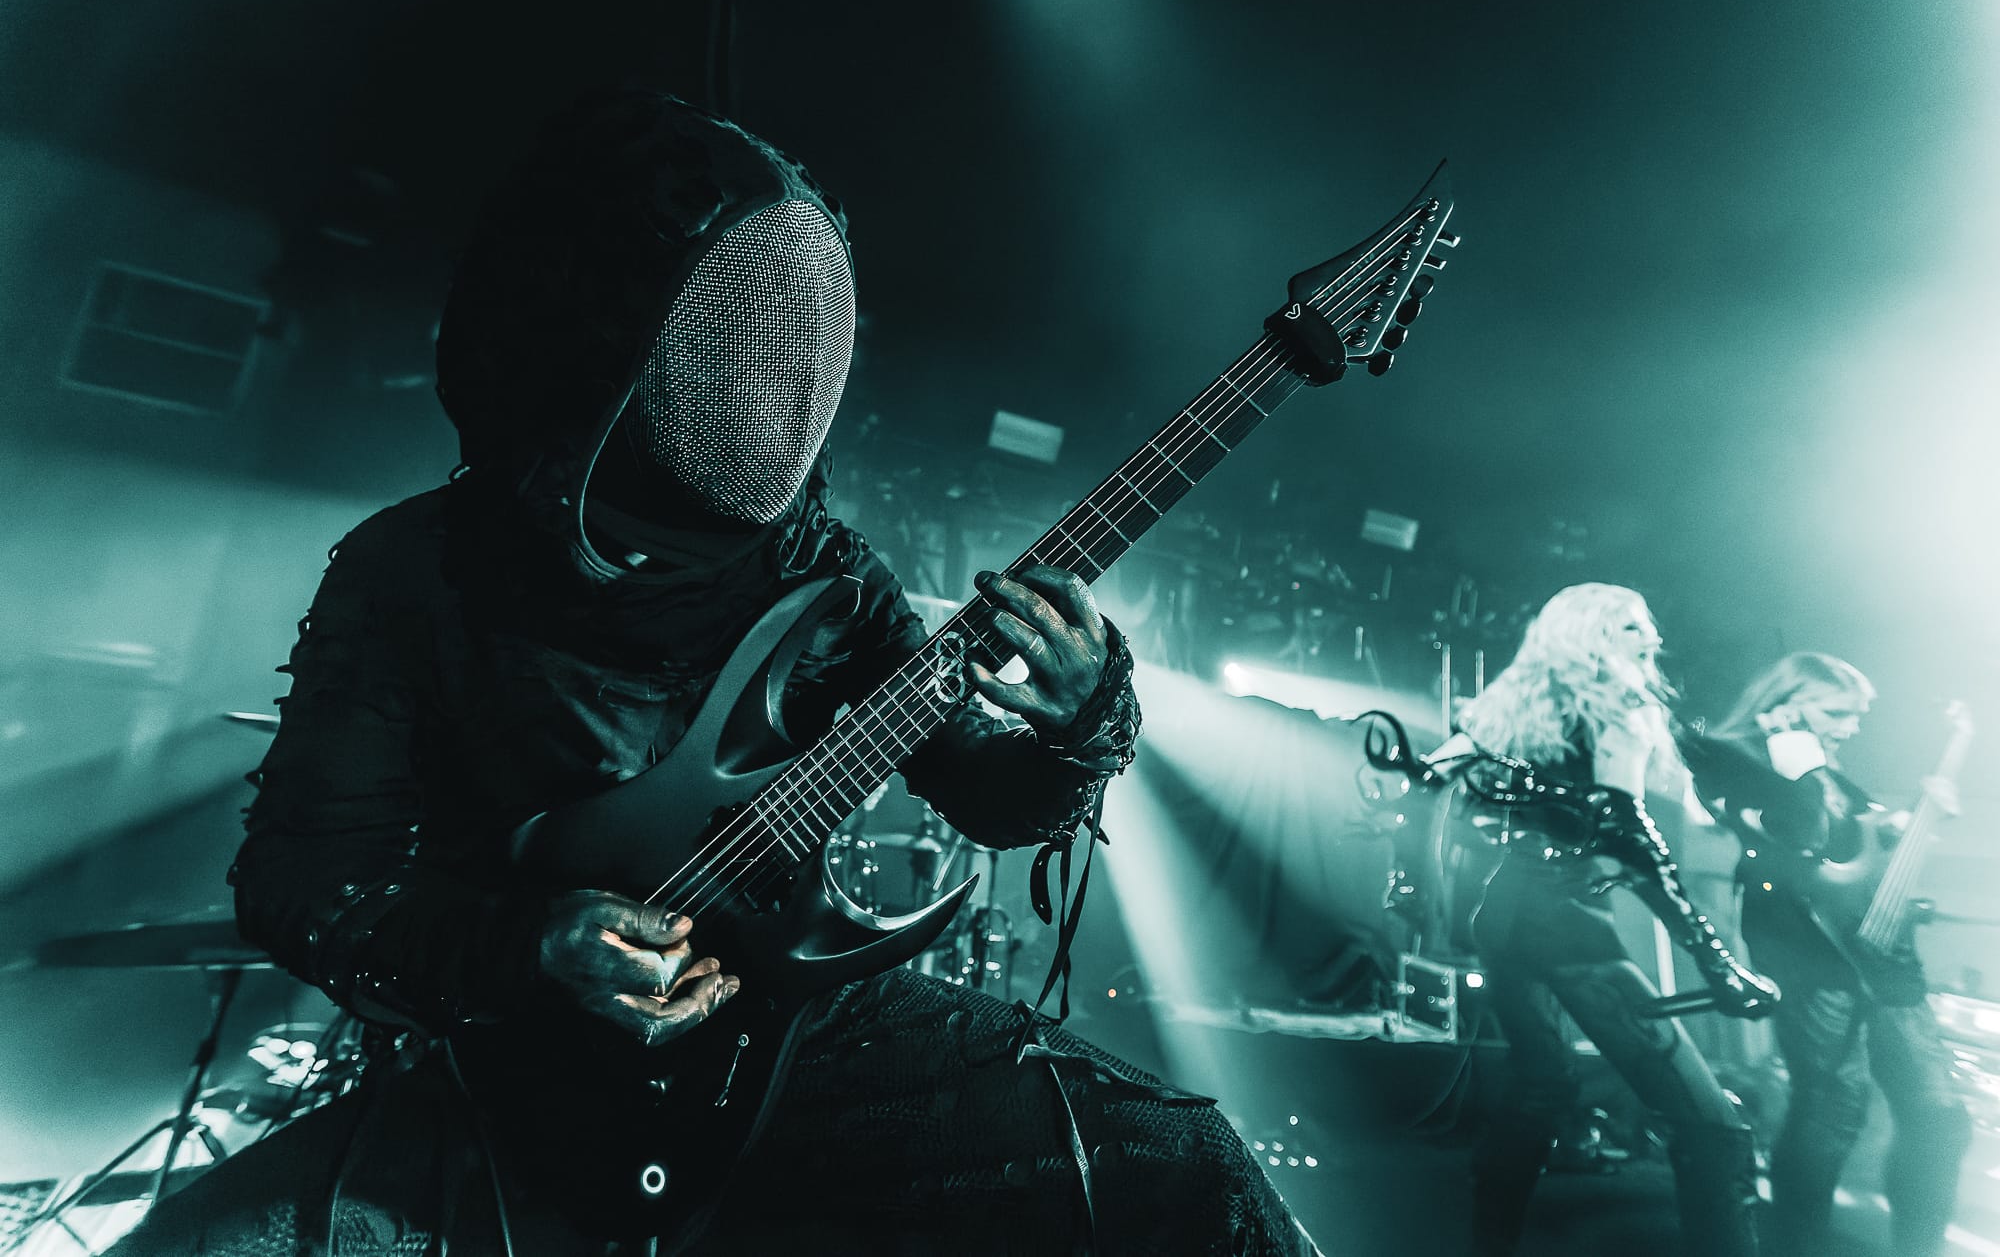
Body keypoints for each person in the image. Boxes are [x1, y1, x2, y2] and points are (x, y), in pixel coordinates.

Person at [109, 91, 1314, 1256]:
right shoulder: (410, 571)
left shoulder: (826, 576)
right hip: (512, 1069)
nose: (760, 390)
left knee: (1187, 1177)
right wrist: (533, 947)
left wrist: (1081, 714)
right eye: (719, 347)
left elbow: (992, 798)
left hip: (802, 1039)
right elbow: (302, 879)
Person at [1425, 583, 1778, 1256]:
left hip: (1504, 916)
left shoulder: (1513, 706)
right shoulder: (1622, 706)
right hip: (1568, 931)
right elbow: (1631, 833)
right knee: (1711, 1128)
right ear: (1592, 636)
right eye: (1632, 627)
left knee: (1540, 1085)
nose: (1653, 638)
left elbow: (1425, 779)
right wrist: (1717, 961)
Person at [1687, 652, 1972, 1257]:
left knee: (1940, 1115)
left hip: (1882, 949)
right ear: (1787, 701)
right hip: (1806, 947)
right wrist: (1800, 759)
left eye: (1858, 715)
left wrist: (1914, 819)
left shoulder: (1823, 766)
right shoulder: (1729, 756)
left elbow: (1855, 840)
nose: (1851, 727)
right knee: (1834, 1107)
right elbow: (1805, 832)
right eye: (1838, 712)